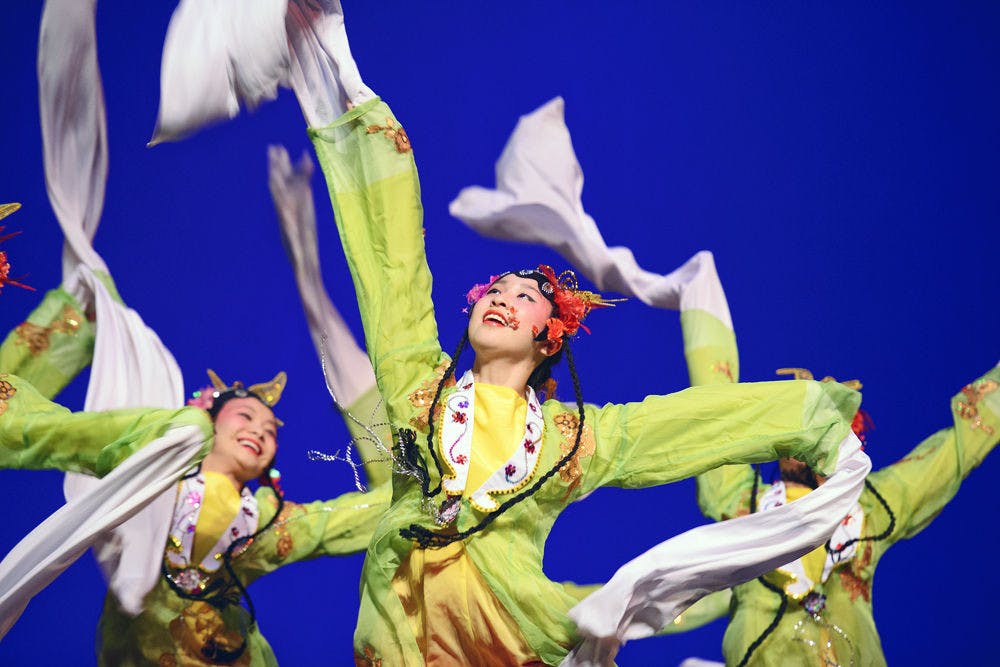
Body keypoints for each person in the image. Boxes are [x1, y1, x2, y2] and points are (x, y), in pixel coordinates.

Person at [692, 364, 1000, 667]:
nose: (792, 443)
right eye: (787, 430)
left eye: (808, 429)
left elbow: (952, 451)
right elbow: (714, 415)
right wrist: (703, 311)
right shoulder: (744, 505)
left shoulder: (873, 507)